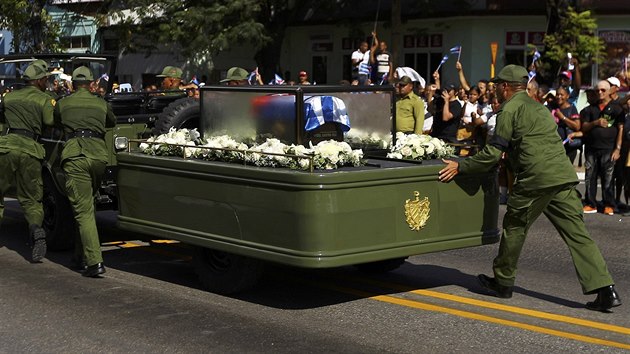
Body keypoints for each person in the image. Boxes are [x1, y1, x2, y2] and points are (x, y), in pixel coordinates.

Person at [438, 64, 621, 313]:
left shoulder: (508, 110)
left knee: (514, 226)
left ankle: (502, 282)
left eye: (496, 86)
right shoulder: (541, 108)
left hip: (535, 179)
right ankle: (605, 289)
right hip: (562, 176)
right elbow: (536, 141)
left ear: (505, 87)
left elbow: (493, 153)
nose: (494, 90)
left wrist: (461, 166)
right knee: (578, 235)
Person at [53, 66, 116, 277]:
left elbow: (56, 121)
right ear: (91, 84)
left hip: (76, 155)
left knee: (83, 211)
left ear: (72, 84)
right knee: (87, 206)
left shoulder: (64, 103)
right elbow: (111, 122)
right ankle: (80, 256)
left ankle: (94, 262)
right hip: (98, 157)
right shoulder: (101, 103)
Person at [0, 62, 55, 262]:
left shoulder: (9, 97)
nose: (47, 82)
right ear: (39, 80)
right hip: (30, 149)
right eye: (46, 79)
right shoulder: (45, 99)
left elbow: (2, 119)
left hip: (5, 148)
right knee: (31, 198)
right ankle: (35, 229)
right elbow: (50, 122)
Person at [580, 80, 625, 215]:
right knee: (590, 177)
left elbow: (620, 128)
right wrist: (595, 122)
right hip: (591, 148)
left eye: (603, 90)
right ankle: (590, 203)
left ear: (609, 91)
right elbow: (584, 127)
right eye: (597, 90)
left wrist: (617, 149)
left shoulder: (617, 109)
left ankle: (609, 204)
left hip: (609, 148)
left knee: (608, 178)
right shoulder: (589, 109)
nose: (599, 93)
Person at [551, 86, 582, 164]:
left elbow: (577, 126)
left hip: (567, 148)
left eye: (562, 95)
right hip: (554, 147)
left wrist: (563, 118)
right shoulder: (553, 108)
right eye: (557, 94)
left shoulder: (572, 109)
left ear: (567, 96)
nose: (559, 97)